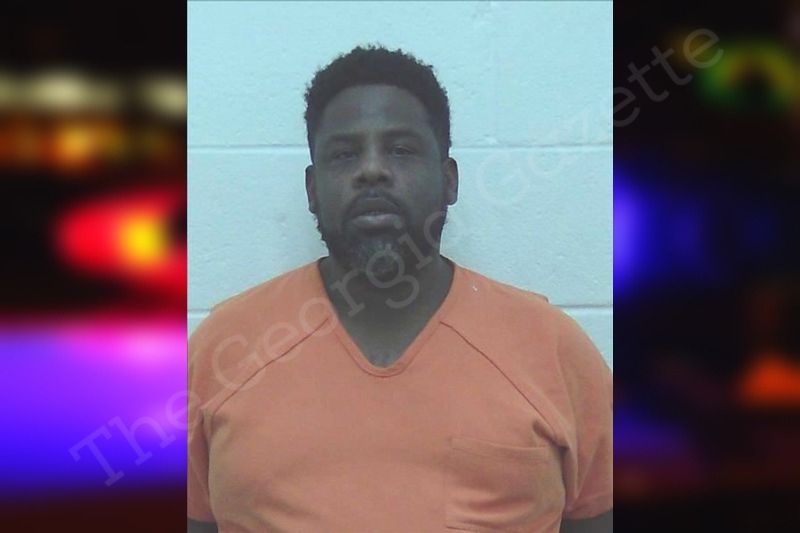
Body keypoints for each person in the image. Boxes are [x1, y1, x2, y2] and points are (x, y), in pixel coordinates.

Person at [188, 45, 612, 533]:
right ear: (312, 189)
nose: (372, 170)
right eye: (344, 154)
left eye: (401, 150)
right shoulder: (225, 348)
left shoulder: (552, 349)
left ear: (448, 180)